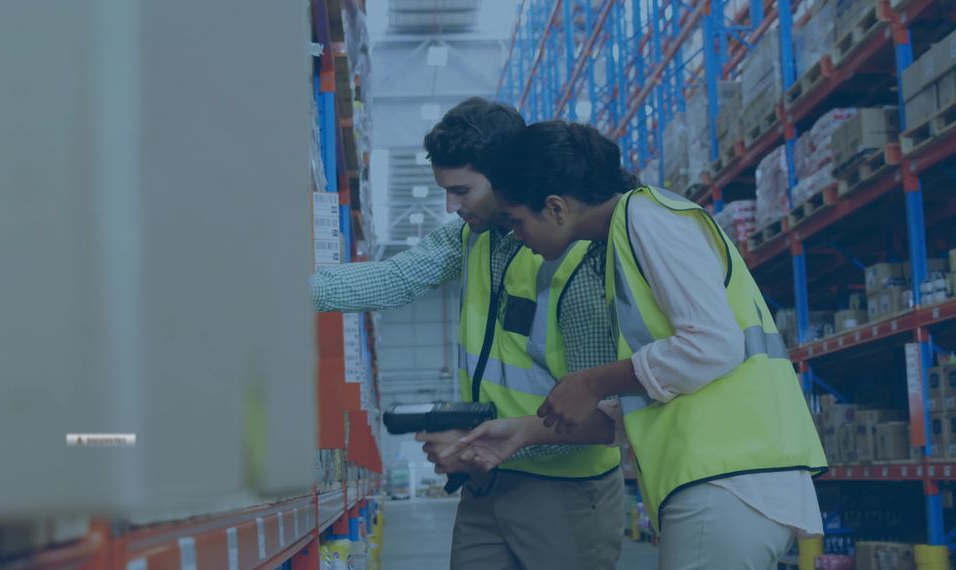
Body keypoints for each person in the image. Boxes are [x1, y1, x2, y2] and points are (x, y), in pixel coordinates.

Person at [442, 120, 828, 570]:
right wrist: (523, 433)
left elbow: (714, 344)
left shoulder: (647, 217)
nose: (515, 236)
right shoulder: (623, 242)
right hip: (721, 480)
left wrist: (593, 380)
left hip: (728, 479)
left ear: (555, 207)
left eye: (517, 222)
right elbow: (651, 399)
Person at [310, 99, 624, 569]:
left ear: (504, 176)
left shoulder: (577, 262)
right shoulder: (469, 238)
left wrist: (478, 442)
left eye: (462, 191)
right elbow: (393, 279)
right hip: (486, 483)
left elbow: (603, 415)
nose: (451, 207)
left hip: (565, 493)